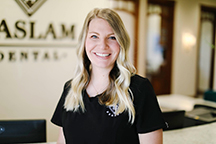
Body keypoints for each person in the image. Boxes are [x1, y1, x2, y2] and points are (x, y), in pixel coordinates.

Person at [51, 8, 167, 144]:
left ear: (121, 43)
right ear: (84, 42)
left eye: (112, 37)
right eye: (94, 36)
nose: (102, 45)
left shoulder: (139, 89)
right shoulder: (71, 89)